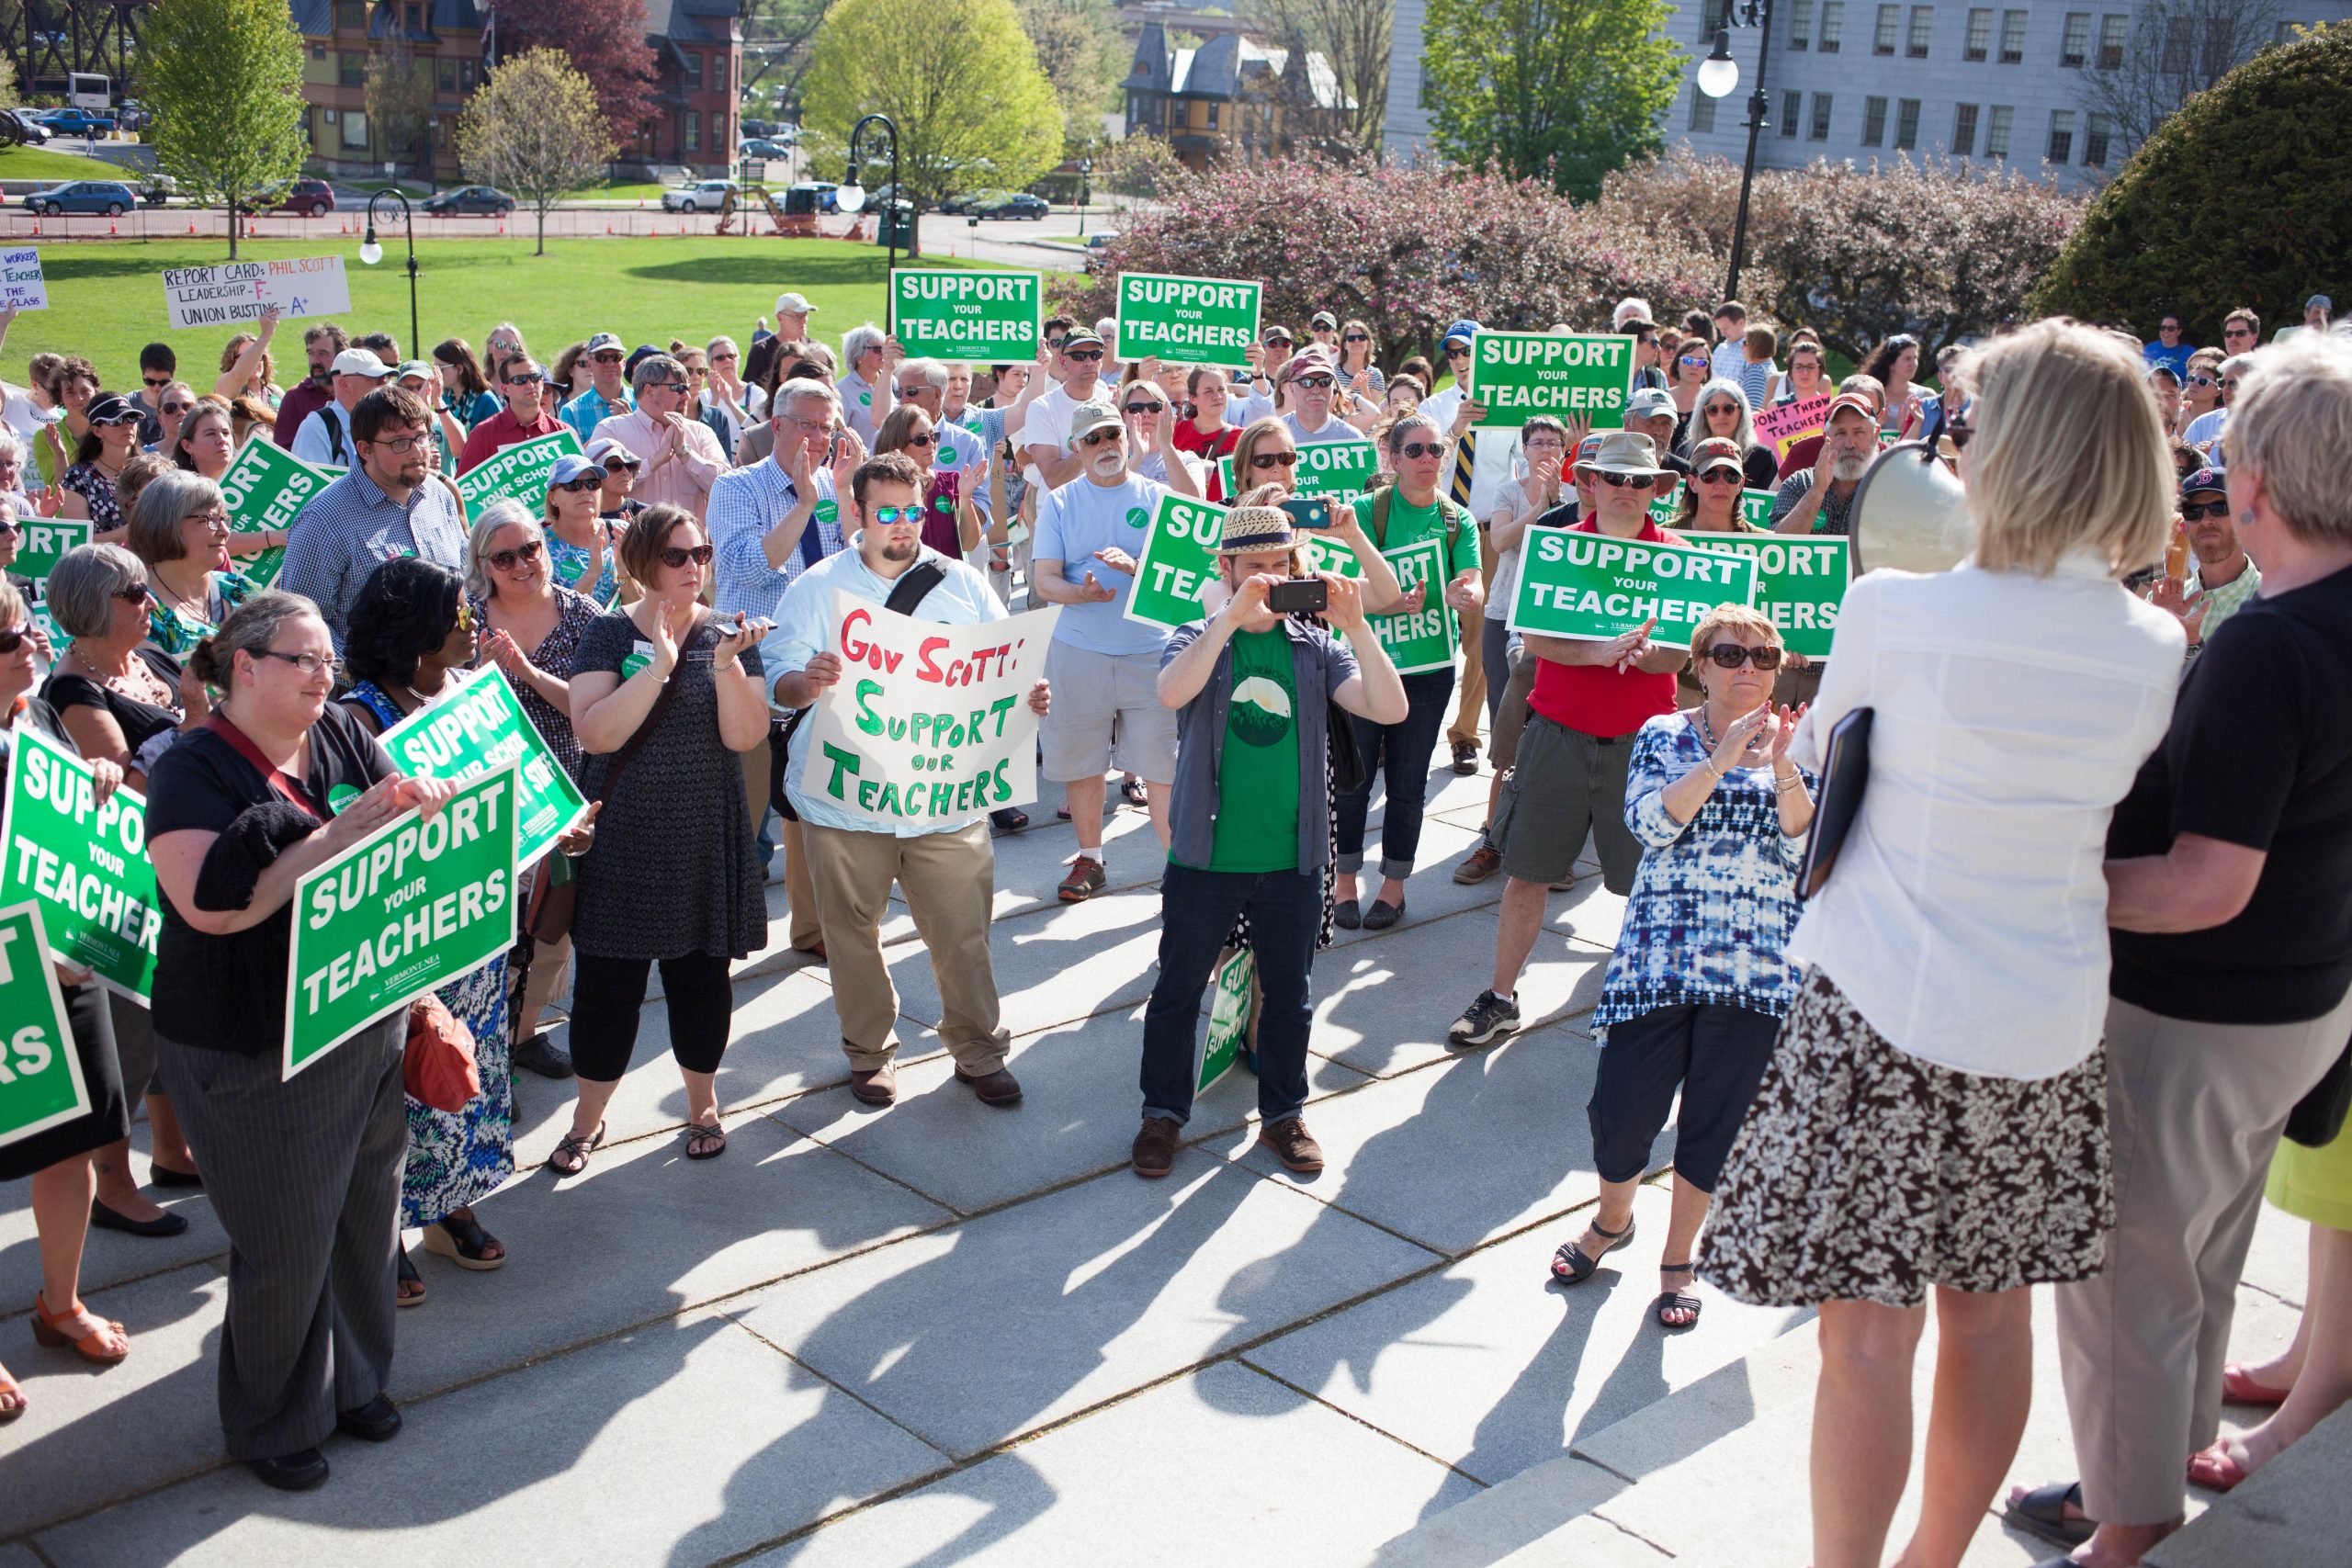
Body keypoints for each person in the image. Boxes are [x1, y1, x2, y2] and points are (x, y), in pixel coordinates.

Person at [1687, 320, 2188, 1568]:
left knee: (1864, 1338)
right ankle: (1936, 1557)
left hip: (1882, 1006)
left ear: (2017, 454)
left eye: (1969, 432)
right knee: (1990, 1314)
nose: (1948, 451)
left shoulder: (1894, 608)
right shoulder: (2155, 642)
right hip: (2046, 1016)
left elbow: (1819, 764)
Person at [2008, 330, 2352, 1568]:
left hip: (2199, 1010)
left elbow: (2204, 883)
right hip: (2298, 1003)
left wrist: (2049, 881)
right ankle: (2148, 1462)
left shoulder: (2276, 640)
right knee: (2200, 1252)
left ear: (2256, 481)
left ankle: (2131, 1520)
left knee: (2126, 1279)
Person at [146, 590, 458, 1489]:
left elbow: (391, 844)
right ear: (245, 666)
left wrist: (415, 806)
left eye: (329, 661)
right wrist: (333, 838)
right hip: (247, 1041)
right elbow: (208, 904)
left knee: (366, 1215)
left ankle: (354, 1381)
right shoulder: (192, 770)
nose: (326, 675)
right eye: (303, 659)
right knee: (286, 1241)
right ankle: (272, 1418)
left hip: (358, 1015)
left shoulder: (343, 737)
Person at [1555, 604, 1814, 1328]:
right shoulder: (1664, 734)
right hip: (1660, 958)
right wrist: (1724, 756)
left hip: (1758, 970)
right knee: (1620, 1112)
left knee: (1714, 1123)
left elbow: (1804, 852)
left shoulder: (1806, 744)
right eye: (1731, 654)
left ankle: (1679, 1256)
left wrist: (1784, 764)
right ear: (1699, 665)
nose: (1748, 669)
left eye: (1765, 657)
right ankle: (1613, 1219)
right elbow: (1650, 825)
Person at [1131, 503, 1408, 1179]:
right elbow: (1171, 692)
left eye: (1281, 565)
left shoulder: (1316, 647)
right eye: (1254, 566)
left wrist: (1359, 631)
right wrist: (1229, 618)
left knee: (1291, 994)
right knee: (1176, 991)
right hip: (1207, 857)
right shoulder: (1196, 634)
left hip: (1294, 858)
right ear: (1224, 569)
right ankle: (1161, 1116)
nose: (1269, 578)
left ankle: (1283, 1113)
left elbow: (1389, 707)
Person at [766, 453, 1048, 1107]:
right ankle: (870, 1053)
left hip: (943, 801)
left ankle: (978, 1050)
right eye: (886, 512)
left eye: (912, 511)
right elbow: (776, 678)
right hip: (846, 800)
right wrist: (804, 684)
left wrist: (1027, 696)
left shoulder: (961, 583)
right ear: (856, 515)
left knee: (962, 930)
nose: (901, 524)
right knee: (852, 932)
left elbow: (1002, 665)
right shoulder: (814, 589)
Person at [1447, 432, 1691, 1049]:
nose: (1627, 491)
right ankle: (1500, 997)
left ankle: (1640, 996)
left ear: (1656, 490)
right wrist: (1600, 651)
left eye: (1640, 481)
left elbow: (1680, 656)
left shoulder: (1680, 555)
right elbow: (1533, 639)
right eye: (1615, 479)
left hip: (1643, 746)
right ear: (1591, 483)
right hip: (1556, 735)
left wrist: (1640, 655)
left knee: (1647, 882)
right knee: (1526, 874)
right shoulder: (1554, 549)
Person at [548, 504, 771, 1174]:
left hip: (705, 833)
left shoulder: (731, 634)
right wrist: (656, 668)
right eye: (677, 556)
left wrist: (726, 665)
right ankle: (587, 1120)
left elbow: (745, 736)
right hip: (621, 839)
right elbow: (594, 733)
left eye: (700, 553)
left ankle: (702, 1105)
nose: (693, 567)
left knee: (701, 981)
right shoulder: (608, 633)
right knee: (606, 991)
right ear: (642, 565)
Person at [333, 559, 524, 1304]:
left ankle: (448, 1205)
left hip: (475, 923)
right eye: (457, 609)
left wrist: (555, 831)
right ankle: (385, 1228)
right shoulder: (359, 716)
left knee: (463, 1068)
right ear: (416, 631)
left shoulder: (470, 695)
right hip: (407, 930)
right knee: (402, 1080)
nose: (473, 619)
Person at [0, 575, 140, 1426]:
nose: (32, 647)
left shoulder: (37, 721)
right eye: (11, 641)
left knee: (75, 1143)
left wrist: (89, 775)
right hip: (13, 976)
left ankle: (59, 1304)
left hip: (70, 972)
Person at [1030, 398, 1202, 900]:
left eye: (1113, 436)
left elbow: (1196, 542)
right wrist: (1081, 592)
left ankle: (1182, 871)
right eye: (1094, 439)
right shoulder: (1060, 502)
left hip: (1153, 653)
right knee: (1083, 763)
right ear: (1076, 449)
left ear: (1128, 439)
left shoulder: (1157, 496)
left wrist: (1136, 567)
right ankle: (1091, 859)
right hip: (1078, 650)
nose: (1106, 446)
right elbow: (1043, 582)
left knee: (1164, 769)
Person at [711, 380, 861, 947]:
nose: (818, 437)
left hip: (819, 662)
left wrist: (842, 497)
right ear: (776, 425)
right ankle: (721, 937)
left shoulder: (834, 484)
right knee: (745, 815)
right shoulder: (737, 487)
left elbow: (858, 564)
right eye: (807, 424)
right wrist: (803, 504)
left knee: (811, 801)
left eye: (828, 426)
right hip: (750, 663)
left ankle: (813, 929)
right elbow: (749, 570)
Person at [1332, 412, 1483, 929]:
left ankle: (1394, 889)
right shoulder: (1364, 513)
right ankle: (1344, 880)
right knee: (1351, 778)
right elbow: (1340, 589)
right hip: (1363, 667)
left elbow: (1470, 579)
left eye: (1435, 450)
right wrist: (1392, 605)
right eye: (1415, 451)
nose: (1427, 460)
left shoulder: (1454, 520)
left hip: (1428, 669)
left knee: (1408, 781)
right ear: (1393, 460)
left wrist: (1465, 594)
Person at [468, 499, 599, 1079]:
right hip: (487, 799)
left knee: (550, 924)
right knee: (493, 924)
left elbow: (590, 708)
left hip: (562, 794)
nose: (522, 563)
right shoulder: (464, 618)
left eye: (531, 549)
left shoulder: (585, 615)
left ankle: (523, 1033)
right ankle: (483, 1044)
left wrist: (525, 671)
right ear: (483, 564)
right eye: (505, 556)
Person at [277, 386, 469, 645]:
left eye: (422, 437)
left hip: (448, 677)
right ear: (365, 449)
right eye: (399, 442)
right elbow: (299, 622)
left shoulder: (439, 495)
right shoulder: (324, 520)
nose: (417, 452)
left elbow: (465, 583)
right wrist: (361, 675)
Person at [126, 468, 261, 660]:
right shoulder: (137, 612)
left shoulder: (240, 589)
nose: (225, 532)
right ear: (167, 524)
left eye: (224, 519)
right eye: (210, 520)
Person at [588, 354, 725, 522]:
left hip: (690, 546)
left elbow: (726, 487)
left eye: (687, 388)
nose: (687, 397)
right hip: (631, 545)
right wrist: (654, 461)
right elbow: (595, 484)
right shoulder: (612, 430)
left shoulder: (701, 432)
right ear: (649, 390)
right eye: (678, 389)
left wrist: (686, 454)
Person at [2146, 466, 2258, 658]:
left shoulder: (2274, 603)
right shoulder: (2158, 602)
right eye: (2193, 511)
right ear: (2184, 529)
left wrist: (2191, 647)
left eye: (2220, 508)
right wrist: (2156, 634)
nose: (2206, 521)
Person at [875, 401, 982, 560]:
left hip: (947, 580)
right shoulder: (881, 490)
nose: (931, 444)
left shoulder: (951, 482)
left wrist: (966, 498)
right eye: (921, 439)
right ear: (898, 444)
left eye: (934, 436)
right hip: (903, 582)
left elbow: (969, 544)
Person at [1770, 392, 1878, 536]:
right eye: (1841, 433)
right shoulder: (1799, 483)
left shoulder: (1886, 488)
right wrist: (1816, 492)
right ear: (1826, 438)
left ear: (1875, 435)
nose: (1850, 444)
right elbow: (1779, 545)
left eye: (1859, 432)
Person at [1021, 328, 1112, 491]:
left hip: (1105, 507)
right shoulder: (1043, 408)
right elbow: (1054, 478)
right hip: (1061, 510)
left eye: (1095, 355)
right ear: (1063, 362)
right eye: (1079, 356)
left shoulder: (1112, 402)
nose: (1089, 362)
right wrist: (1094, 439)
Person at [537, 452, 627, 608]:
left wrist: (626, 574)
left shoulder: (622, 531)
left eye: (592, 483)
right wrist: (593, 573)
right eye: (573, 484)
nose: (585, 491)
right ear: (553, 498)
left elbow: (643, 605)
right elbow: (554, 616)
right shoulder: (540, 549)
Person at [457, 352, 565, 474]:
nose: (530, 385)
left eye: (535, 377)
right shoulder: (482, 435)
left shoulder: (562, 432)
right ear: (505, 389)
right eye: (520, 380)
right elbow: (464, 489)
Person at [288, 349, 393, 469]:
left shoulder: (387, 422)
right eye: (374, 378)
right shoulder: (316, 428)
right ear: (344, 384)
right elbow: (315, 485)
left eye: (386, 377)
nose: (384, 384)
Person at [57, 392, 143, 540]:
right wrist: (131, 531)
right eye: (116, 420)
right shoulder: (78, 477)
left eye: (131, 418)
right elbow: (77, 540)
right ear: (96, 431)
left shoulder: (151, 468)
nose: (127, 424)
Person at [1683, 379, 1778, 490]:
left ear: (1741, 411)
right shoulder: (1687, 451)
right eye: (1712, 409)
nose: (1721, 416)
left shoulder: (1762, 457)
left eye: (1728, 408)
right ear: (1703, 415)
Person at [268, 322, 348, 448]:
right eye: (310, 353)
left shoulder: (354, 392)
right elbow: (283, 453)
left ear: (340, 356)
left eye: (322, 354)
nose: (315, 361)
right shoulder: (295, 398)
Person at [1281, 354, 1374, 447]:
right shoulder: (1275, 434)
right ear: (1291, 388)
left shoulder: (1353, 440)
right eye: (1307, 382)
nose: (1316, 390)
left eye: (1325, 381)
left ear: (1333, 386)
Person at [558, 332, 633, 444]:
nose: (609, 363)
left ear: (624, 363)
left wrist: (633, 426)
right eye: (601, 358)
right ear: (589, 365)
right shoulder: (571, 411)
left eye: (615, 357)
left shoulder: (644, 402)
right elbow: (571, 459)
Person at [837, 323, 900, 446]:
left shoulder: (891, 380)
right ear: (857, 353)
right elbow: (840, 436)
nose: (883, 353)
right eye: (878, 349)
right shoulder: (843, 389)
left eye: (885, 348)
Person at [215, 310, 286, 408]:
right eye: (244, 357)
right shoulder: (224, 386)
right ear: (232, 361)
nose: (254, 362)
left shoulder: (276, 392)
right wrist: (265, 336)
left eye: (259, 356)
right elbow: (237, 376)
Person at [1859, 333, 1925, 434]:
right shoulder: (1870, 395)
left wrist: (1907, 427)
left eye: (1915, 358)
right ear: (1891, 364)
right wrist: (1878, 423)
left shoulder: (1926, 396)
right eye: (1907, 359)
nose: (1913, 363)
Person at [2184, 354, 2248, 452]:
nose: (2225, 390)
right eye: (2222, 383)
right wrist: (2197, 457)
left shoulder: (2270, 425)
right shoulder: (2202, 423)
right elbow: (2179, 462)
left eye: (2233, 384)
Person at [433, 339, 501, 430]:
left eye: (440, 369)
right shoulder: (445, 399)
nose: (436, 374)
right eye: (434, 369)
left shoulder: (486, 401)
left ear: (460, 369)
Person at [584, 435, 644, 525]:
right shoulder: (580, 520)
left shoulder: (648, 517)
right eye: (615, 466)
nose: (626, 472)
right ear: (594, 475)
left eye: (629, 465)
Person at [1710, 301, 1750, 384]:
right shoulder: (1720, 349)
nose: (1722, 333)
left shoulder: (1753, 351)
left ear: (1741, 323)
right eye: (1720, 329)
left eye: (1725, 328)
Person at [2143, 311, 2196, 377]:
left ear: (2179, 332)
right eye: (2163, 328)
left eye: (2171, 328)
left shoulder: (2189, 352)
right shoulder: (2150, 348)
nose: (2166, 331)